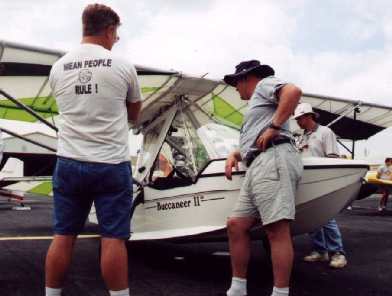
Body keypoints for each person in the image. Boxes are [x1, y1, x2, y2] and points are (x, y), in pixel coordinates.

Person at [45, 4, 142, 296]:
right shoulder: (123, 66)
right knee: (113, 239)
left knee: (63, 236)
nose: (116, 40)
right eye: (116, 34)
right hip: (110, 164)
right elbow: (134, 114)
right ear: (109, 30)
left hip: (69, 162)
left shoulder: (58, 67)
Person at [223, 60, 303, 296]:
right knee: (236, 225)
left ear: (246, 79)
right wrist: (234, 153)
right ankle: (237, 289)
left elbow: (293, 91)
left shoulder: (264, 85)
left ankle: (280, 293)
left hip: (272, 158)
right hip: (258, 162)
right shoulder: (257, 104)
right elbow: (254, 141)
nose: (236, 89)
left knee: (276, 229)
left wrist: (275, 126)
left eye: (236, 83)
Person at [294, 102, 347, 269]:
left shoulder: (325, 132)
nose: (298, 121)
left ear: (309, 116)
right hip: (307, 179)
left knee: (326, 218)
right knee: (312, 217)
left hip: (322, 179)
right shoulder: (301, 136)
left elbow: (332, 157)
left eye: (300, 118)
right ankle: (320, 250)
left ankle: (338, 253)